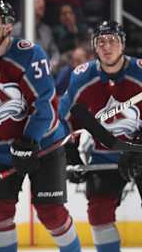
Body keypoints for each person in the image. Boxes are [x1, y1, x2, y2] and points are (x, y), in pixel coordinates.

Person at [0, 0, 81, 252]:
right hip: (1, 150)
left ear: (9, 27)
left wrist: (29, 140)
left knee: (51, 213)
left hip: (45, 145)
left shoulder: (30, 54)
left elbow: (44, 103)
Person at [59, 21, 142, 252]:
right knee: (98, 213)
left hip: (141, 154)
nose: (107, 47)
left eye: (113, 40)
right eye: (101, 42)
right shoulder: (82, 77)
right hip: (103, 156)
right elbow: (61, 117)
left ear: (123, 45)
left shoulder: (140, 73)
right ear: (94, 47)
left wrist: (136, 147)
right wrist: (70, 151)